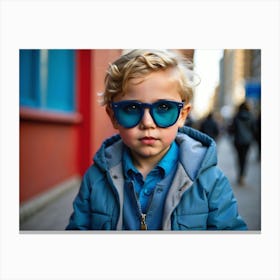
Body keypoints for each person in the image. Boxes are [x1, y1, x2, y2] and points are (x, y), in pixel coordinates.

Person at [66, 49, 247, 230]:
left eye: (163, 107)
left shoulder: (210, 180)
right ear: (113, 117)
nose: (147, 123)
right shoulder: (96, 178)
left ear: (182, 115)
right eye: (131, 109)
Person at [229, 101, 256, 186]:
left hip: (238, 141)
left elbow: (232, 129)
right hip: (247, 141)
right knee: (245, 158)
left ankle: (239, 175)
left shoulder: (236, 117)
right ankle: (242, 176)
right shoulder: (251, 117)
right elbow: (254, 129)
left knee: (239, 158)